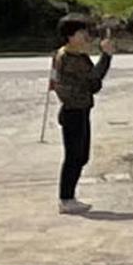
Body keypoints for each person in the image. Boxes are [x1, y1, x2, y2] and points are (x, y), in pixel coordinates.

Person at [48, 12, 112, 210]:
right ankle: (66, 198)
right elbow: (94, 81)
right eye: (81, 32)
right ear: (70, 36)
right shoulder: (70, 59)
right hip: (74, 110)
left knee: (80, 155)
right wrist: (106, 56)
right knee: (75, 155)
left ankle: (68, 197)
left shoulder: (72, 55)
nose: (86, 36)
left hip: (79, 109)